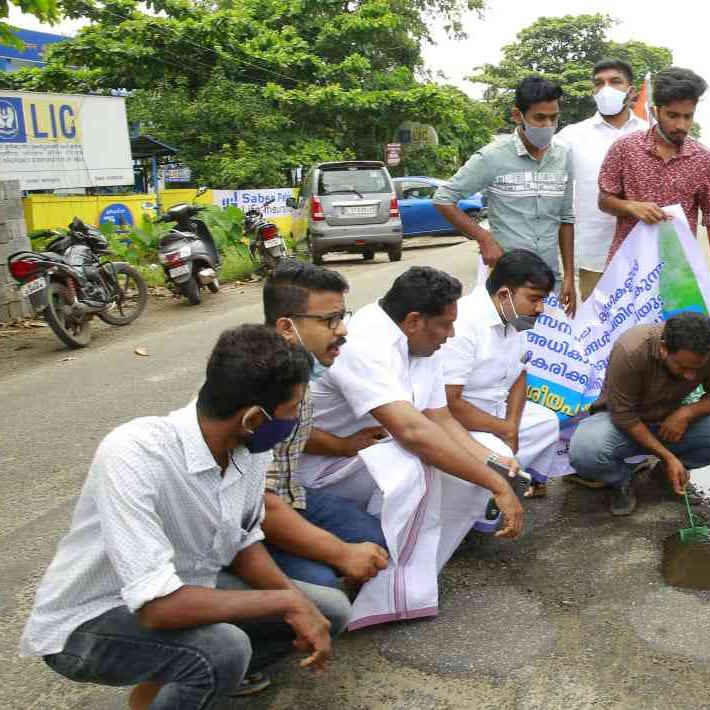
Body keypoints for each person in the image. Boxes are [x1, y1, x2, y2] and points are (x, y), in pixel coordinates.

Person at [20, 325, 350, 708]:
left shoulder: (249, 450)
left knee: (329, 611)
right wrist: (286, 604)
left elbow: (242, 542)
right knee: (223, 650)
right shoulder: (135, 453)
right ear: (252, 419)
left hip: (188, 587)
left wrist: (295, 601)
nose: (295, 421)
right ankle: (193, 673)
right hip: (89, 620)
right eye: (291, 411)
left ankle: (165, 688)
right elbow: (158, 608)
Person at [296, 266, 526, 628]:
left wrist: (492, 461)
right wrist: (495, 484)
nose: (451, 335)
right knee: (418, 462)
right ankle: (382, 589)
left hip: (367, 457)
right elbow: (412, 432)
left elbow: (440, 419)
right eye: (446, 325)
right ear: (414, 321)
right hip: (321, 471)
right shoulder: (365, 341)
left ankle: (415, 573)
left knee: (489, 451)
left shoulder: (423, 344)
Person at [260, 260, 391, 590]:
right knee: (324, 586)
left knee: (376, 541)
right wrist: (340, 553)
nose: (343, 330)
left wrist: (342, 446)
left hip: (290, 495)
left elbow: (293, 432)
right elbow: (257, 505)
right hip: (251, 516)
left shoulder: (300, 371)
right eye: (329, 320)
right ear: (286, 327)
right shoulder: (258, 385)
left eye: (342, 317)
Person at [567, 312, 710, 516]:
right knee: (585, 451)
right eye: (683, 367)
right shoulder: (631, 349)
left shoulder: (707, 351)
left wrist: (687, 413)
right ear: (664, 349)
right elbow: (623, 415)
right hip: (621, 427)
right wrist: (667, 456)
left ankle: (664, 477)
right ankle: (622, 480)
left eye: (696, 368)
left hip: (670, 424)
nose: (690, 375)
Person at [435, 76, 577, 316]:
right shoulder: (492, 157)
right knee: (511, 336)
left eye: (554, 118)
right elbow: (443, 199)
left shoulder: (563, 156)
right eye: (539, 118)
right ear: (517, 116)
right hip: (508, 284)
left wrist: (570, 277)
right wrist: (484, 238)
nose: (548, 125)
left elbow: (566, 218)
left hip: (549, 281)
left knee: (552, 339)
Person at [437, 249, 562, 499]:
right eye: (534, 299)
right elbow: (449, 403)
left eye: (542, 300)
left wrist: (511, 426)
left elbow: (520, 375)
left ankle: (504, 487)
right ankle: (484, 502)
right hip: (459, 423)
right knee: (499, 454)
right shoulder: (464, 322)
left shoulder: (514, 315)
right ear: (504, 294)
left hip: (496, 414)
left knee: (546, 423)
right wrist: (503, 429)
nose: (540, 309)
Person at [598, 67, 710, 302]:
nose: (681, 125)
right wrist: (630, 206)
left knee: (676, 327)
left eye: (688, 116)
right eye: (673, 115)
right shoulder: (625, 149)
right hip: (627, 269)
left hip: (678, 274)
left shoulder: (705, 159)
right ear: (656, 111)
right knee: (619, 326)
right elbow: (604, 200)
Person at [554, 59, 646, 300]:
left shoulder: (650, 133)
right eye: (599, 83)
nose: (606, 89)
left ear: (631, 91)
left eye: (615, 82)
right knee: (594, 320)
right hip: (593, 256)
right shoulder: (570, 137)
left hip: (644, 252)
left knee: (643, 320)